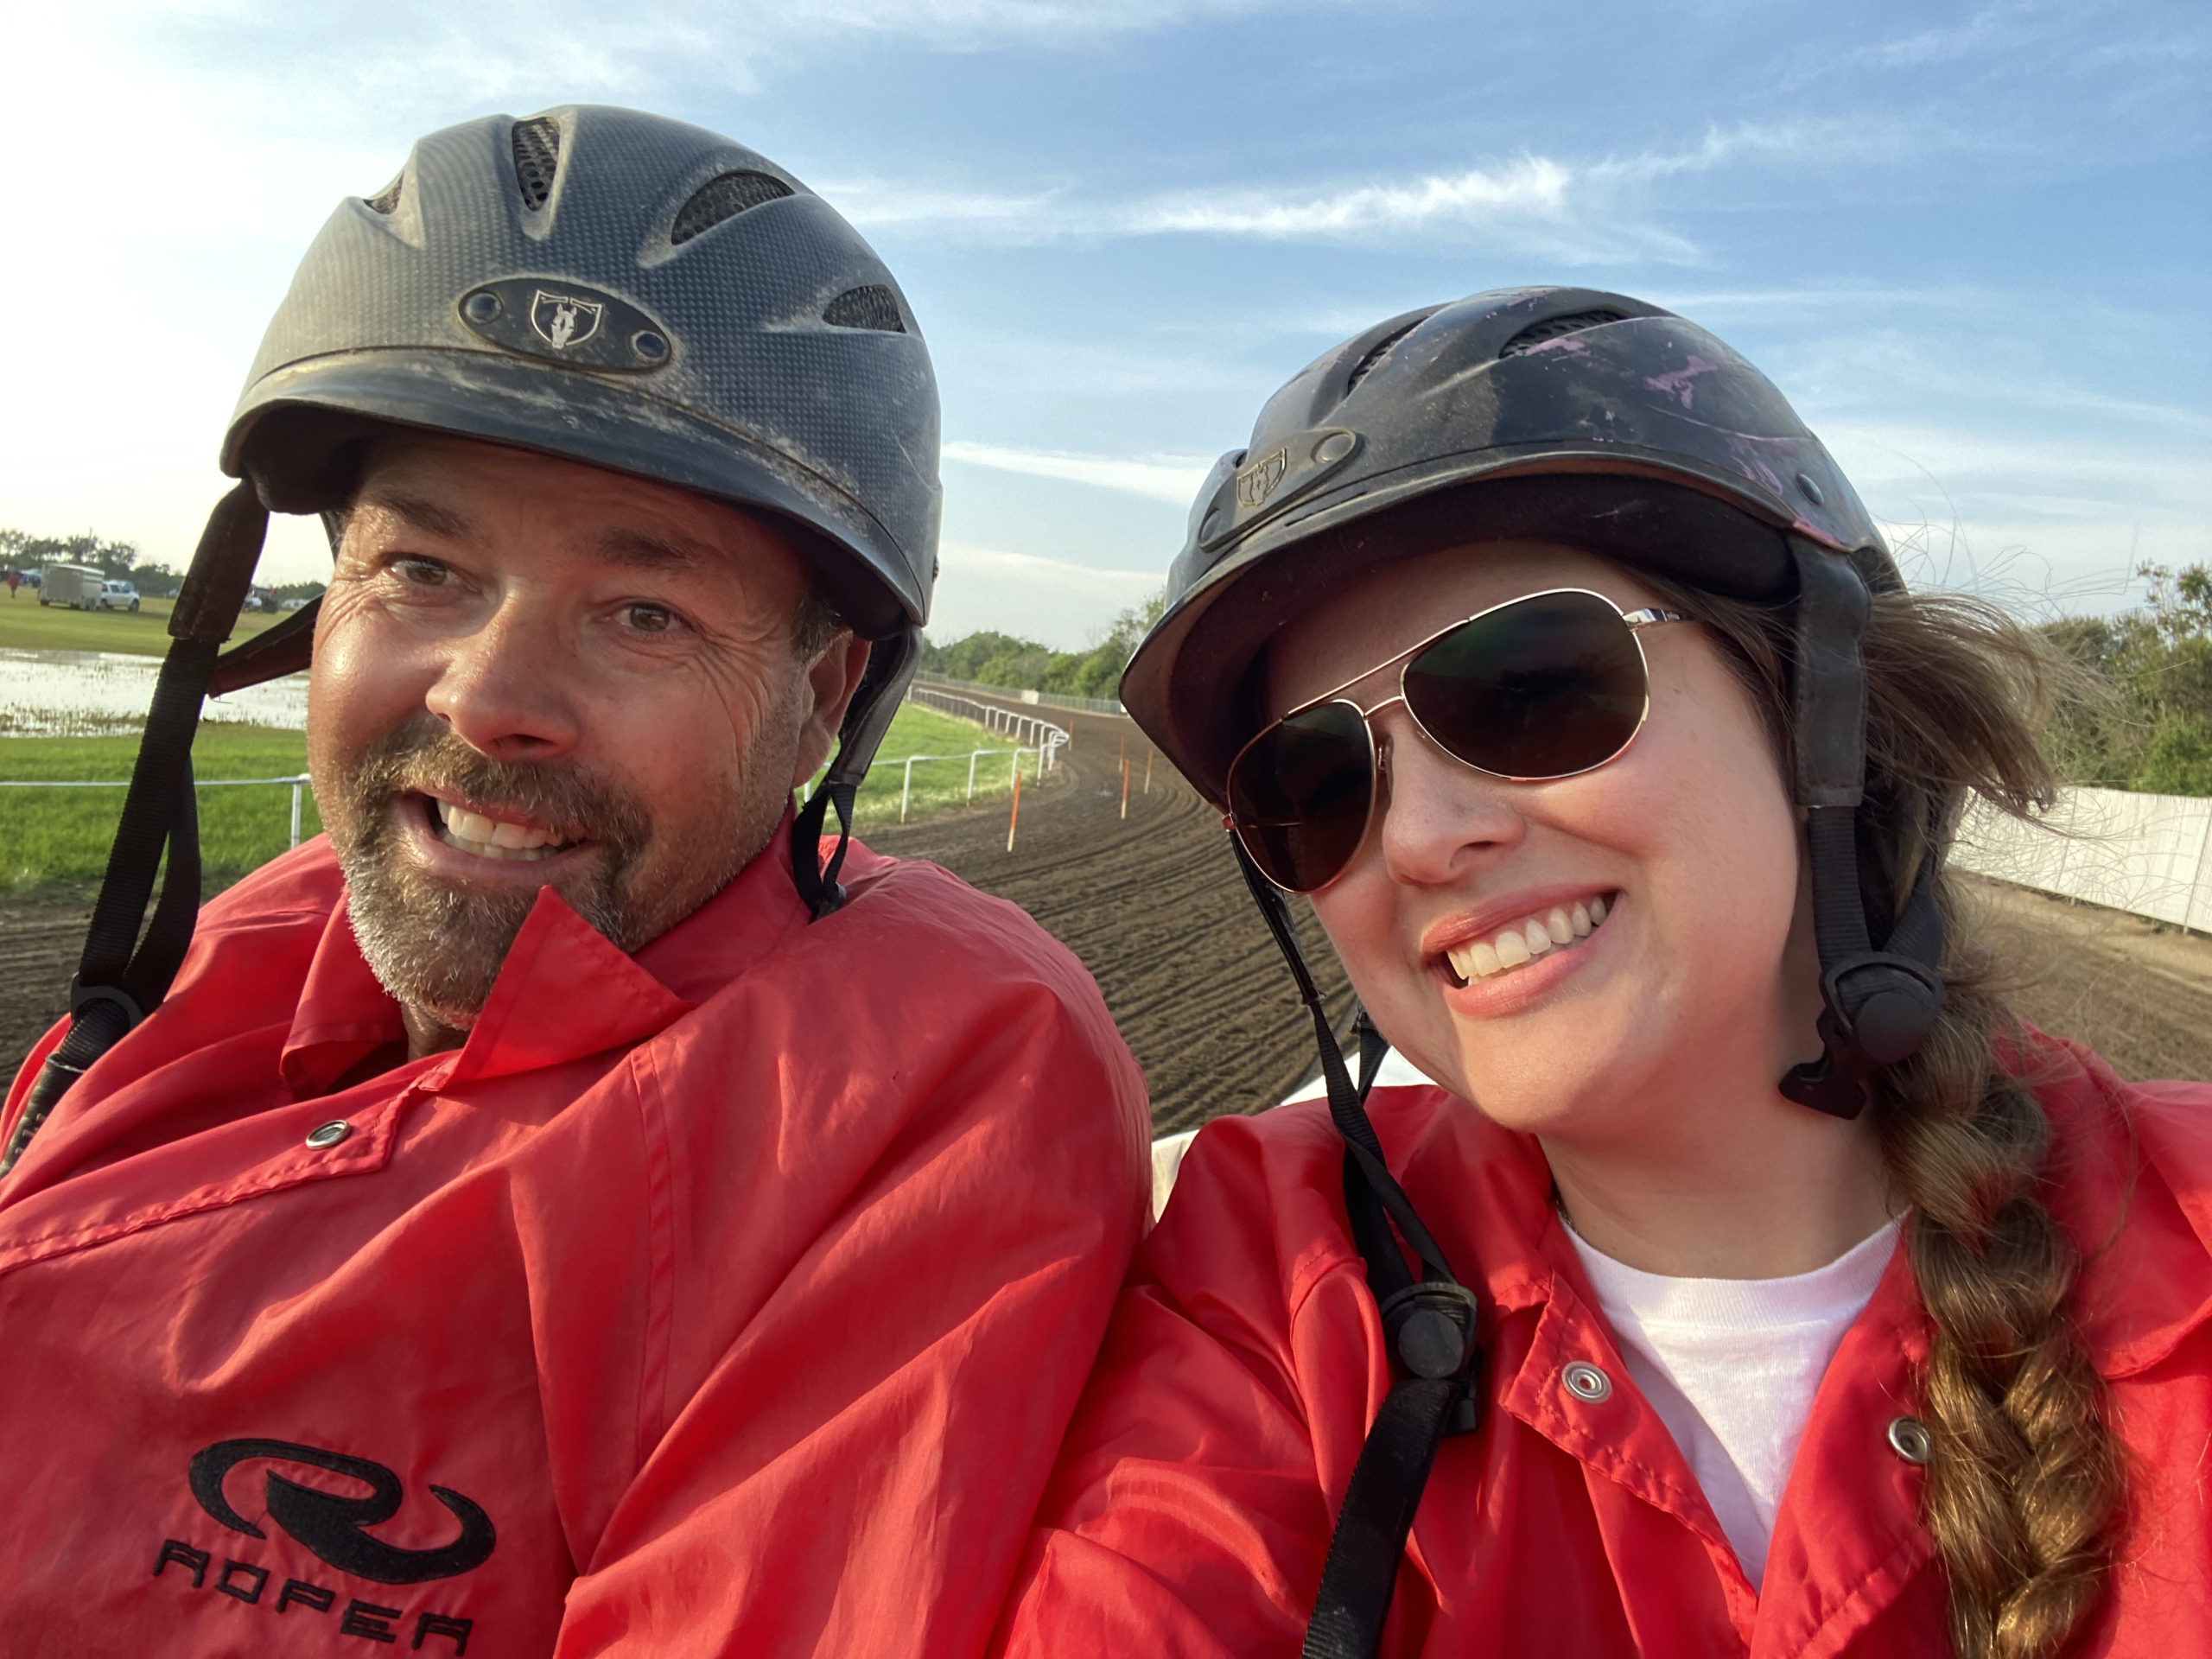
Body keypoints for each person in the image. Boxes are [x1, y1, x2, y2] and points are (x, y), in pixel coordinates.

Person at [0, 107, 1148, 1655]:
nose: (487, 697)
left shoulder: (924, 1074)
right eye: (422, 568)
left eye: (645, 612)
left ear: (824, 699)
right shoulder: (263, 931)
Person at [997, 289, 2211, 1657]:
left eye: (1528, 688)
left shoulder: (2192, 1238)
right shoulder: (1275, 1287)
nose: (1418, 838)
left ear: (1824, 709)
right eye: (1317, 783)